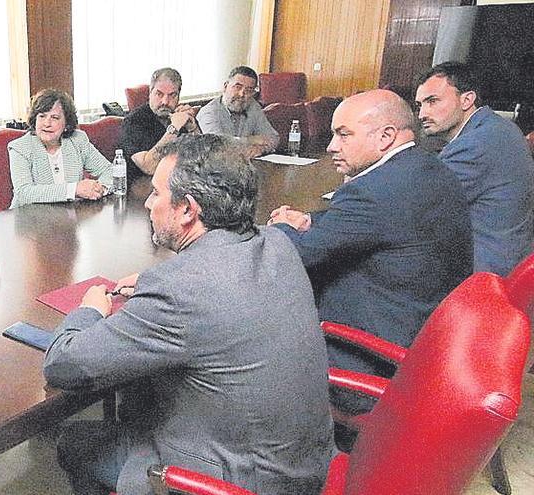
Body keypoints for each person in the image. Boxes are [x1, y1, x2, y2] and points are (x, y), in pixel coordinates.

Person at [44, 134, 335, 495]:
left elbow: (63, 366)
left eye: (155, 193)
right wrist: (154, 283)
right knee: (142, 392)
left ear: (187, 209)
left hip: (244, 480)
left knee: (75, 442)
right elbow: (210, 285)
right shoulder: (277, 241)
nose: (149, 203)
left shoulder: (178, 290)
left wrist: (88, 311)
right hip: (307, 461)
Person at [269, 89, 472, 384]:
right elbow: (364, 222)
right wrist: (309, 220)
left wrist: (282, 226)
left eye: (343, 135)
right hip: (424, 335)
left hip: (370, 354)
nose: (331, 146)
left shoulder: (373, 191)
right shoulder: (427, 167)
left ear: (386, 136)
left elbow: (298, 257)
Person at [415, 61, 534, 276]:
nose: (422, 113)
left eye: (432, 101)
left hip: (483, 276)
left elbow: (416, 206)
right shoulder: (498, 127)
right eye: (420, 105)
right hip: (511, 261)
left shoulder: (476, 143)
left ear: (467, 100)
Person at [8, 89, 113, 208]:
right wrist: (74, 190)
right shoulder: (20, 148)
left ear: (67, 124)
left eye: (55, 117)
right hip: (30, 221)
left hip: (69, 218)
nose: (47, 123)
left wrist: (99, 189)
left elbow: (110, 171)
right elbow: (24, 193)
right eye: (42, 116)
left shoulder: (77, 140)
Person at [119, 67, 201, 183]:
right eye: (159, 94)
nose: (165, 102)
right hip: (142, 191)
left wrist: (193, 128)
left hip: (179, 183)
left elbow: (205, 160)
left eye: (172, 95)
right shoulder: (133, 122)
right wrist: (174, 129)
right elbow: (148, 167)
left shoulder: (180, 116)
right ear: (150, 93)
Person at [197, 65, 279, 157]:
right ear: (225, 86)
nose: (242, 94)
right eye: (237, 87)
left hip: (243, 166)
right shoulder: (209, 112)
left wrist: (261, 148)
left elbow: (274, 138)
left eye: (248, 90)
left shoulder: (253, 106)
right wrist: (250, 140)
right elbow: (218, 147)